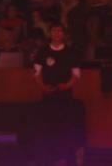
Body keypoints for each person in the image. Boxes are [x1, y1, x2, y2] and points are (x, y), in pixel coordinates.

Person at [33, 24, 85, 166]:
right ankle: (49, 159)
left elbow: (76, 75)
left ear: (64, 34)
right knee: (48, 129)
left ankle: (66, 160)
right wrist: (43, 86)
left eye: (59, 31)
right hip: (48, 96)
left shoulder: (71, 52)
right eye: (54, 31)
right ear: (50, 33)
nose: (56, 33)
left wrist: (66, 85)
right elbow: (37, 73)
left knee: (65, 129)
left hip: (65, 97)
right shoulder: (43, 51)